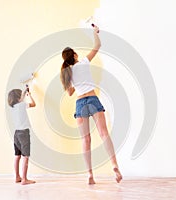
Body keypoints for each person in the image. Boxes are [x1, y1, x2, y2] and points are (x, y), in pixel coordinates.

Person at [60, 25, 122, 184]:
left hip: (80, 104)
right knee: (103, 134)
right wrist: (95, 32)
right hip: (93, 100)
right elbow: (98, 46)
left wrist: (71, 82)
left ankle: (89, 174)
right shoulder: (84, 62)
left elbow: (70, 93)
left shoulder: (67, 72)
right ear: (74, 54)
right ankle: (114, 164)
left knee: (85, 140)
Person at [8, 88, 36, 185]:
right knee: (25, 156)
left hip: (16, 134)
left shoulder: (13, 107)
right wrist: (29, 95)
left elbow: (20, 100)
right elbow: (33, 104)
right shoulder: (22, 105)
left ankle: (17, 177)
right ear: (18, 98)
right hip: (24, 133)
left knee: (17, 156)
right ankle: (24, 179)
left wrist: (24, 93)